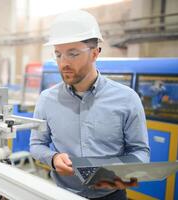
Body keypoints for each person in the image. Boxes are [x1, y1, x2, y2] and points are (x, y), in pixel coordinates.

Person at [30, 10, 150, 200]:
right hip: (62, 194)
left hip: (111, 194)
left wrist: (120, 173)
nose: (63, 63)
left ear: (95, 53)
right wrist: (52, 159)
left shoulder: (127, 99)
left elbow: (140, 151)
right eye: (58, 55)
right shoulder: (47, 99)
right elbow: (37, 144)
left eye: (73, 54)